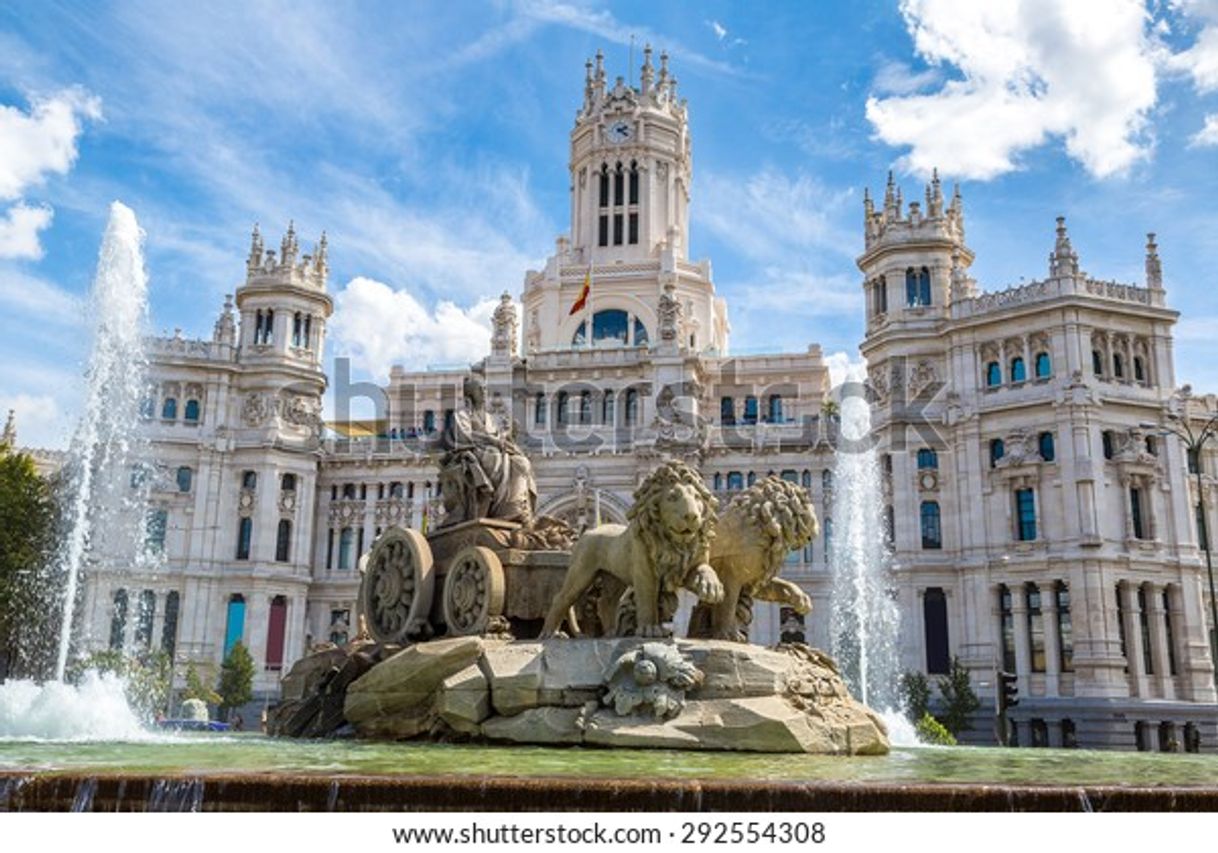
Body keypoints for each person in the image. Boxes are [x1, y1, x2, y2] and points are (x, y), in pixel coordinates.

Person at [438, 376, 536, 526]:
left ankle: (512, 508)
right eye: (480, 389)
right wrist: (491, 441)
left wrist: (509, 437)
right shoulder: (463, 414)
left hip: (492, 451)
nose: (484, 392)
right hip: (472, 452)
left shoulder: (490, 417)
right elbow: (464, 436)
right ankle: (498, 507)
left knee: (521, 462)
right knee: (495, 457)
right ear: (471, 394)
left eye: (484, 389)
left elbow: (498, 437)